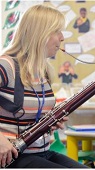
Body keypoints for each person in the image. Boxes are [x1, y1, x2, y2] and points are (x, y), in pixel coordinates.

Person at [0, 4, 89, 168]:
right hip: (13, 157)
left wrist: (48, 122)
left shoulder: (43, 71)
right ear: (40, 34)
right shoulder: (6, 66)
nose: (62, 38)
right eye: (57, 31)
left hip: (41, 151)